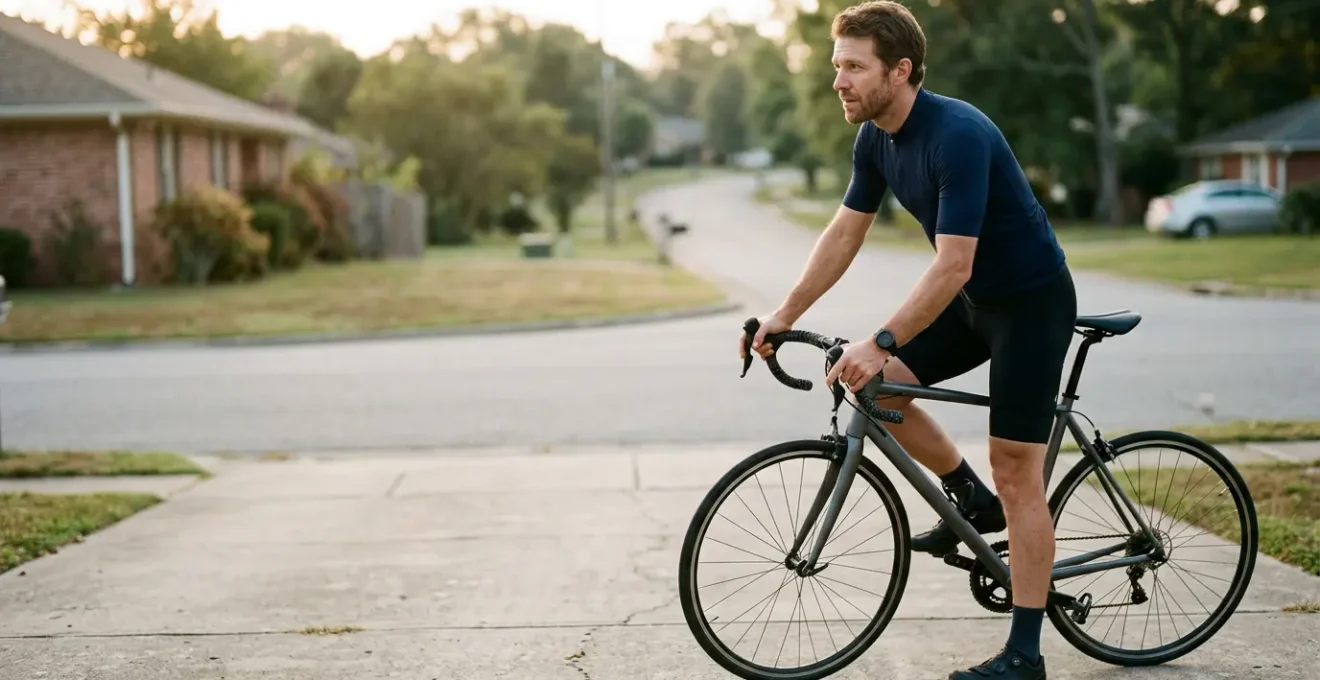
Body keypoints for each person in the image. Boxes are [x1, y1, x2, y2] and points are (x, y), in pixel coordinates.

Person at [738, 2, 1076, 678]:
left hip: (1030, 306)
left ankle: (1025, 654)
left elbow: (954, 264)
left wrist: (882, 339)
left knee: (1017, 473)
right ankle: (968, 497)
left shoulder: (958, 134)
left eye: (854, 67)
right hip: (971, 304)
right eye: (837, 66)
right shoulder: (875, 139)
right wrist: (783, 313)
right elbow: (845, 232)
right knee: (877, 392)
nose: (839, 81)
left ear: (900, 70)